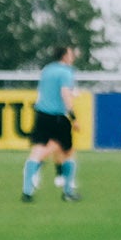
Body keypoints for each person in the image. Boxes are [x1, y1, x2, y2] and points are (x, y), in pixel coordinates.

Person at [22, 44, 80, 203]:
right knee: (67, 152)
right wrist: (74, 117)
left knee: (37, 151)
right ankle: (68, 192)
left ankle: (27, 191)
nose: (73, 56)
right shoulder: (66, 72)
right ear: (65, 56)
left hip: (41, 115)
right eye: (71, 53)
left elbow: (44, 91)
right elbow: (64, 93)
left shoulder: (47, 70)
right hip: (57, 116)